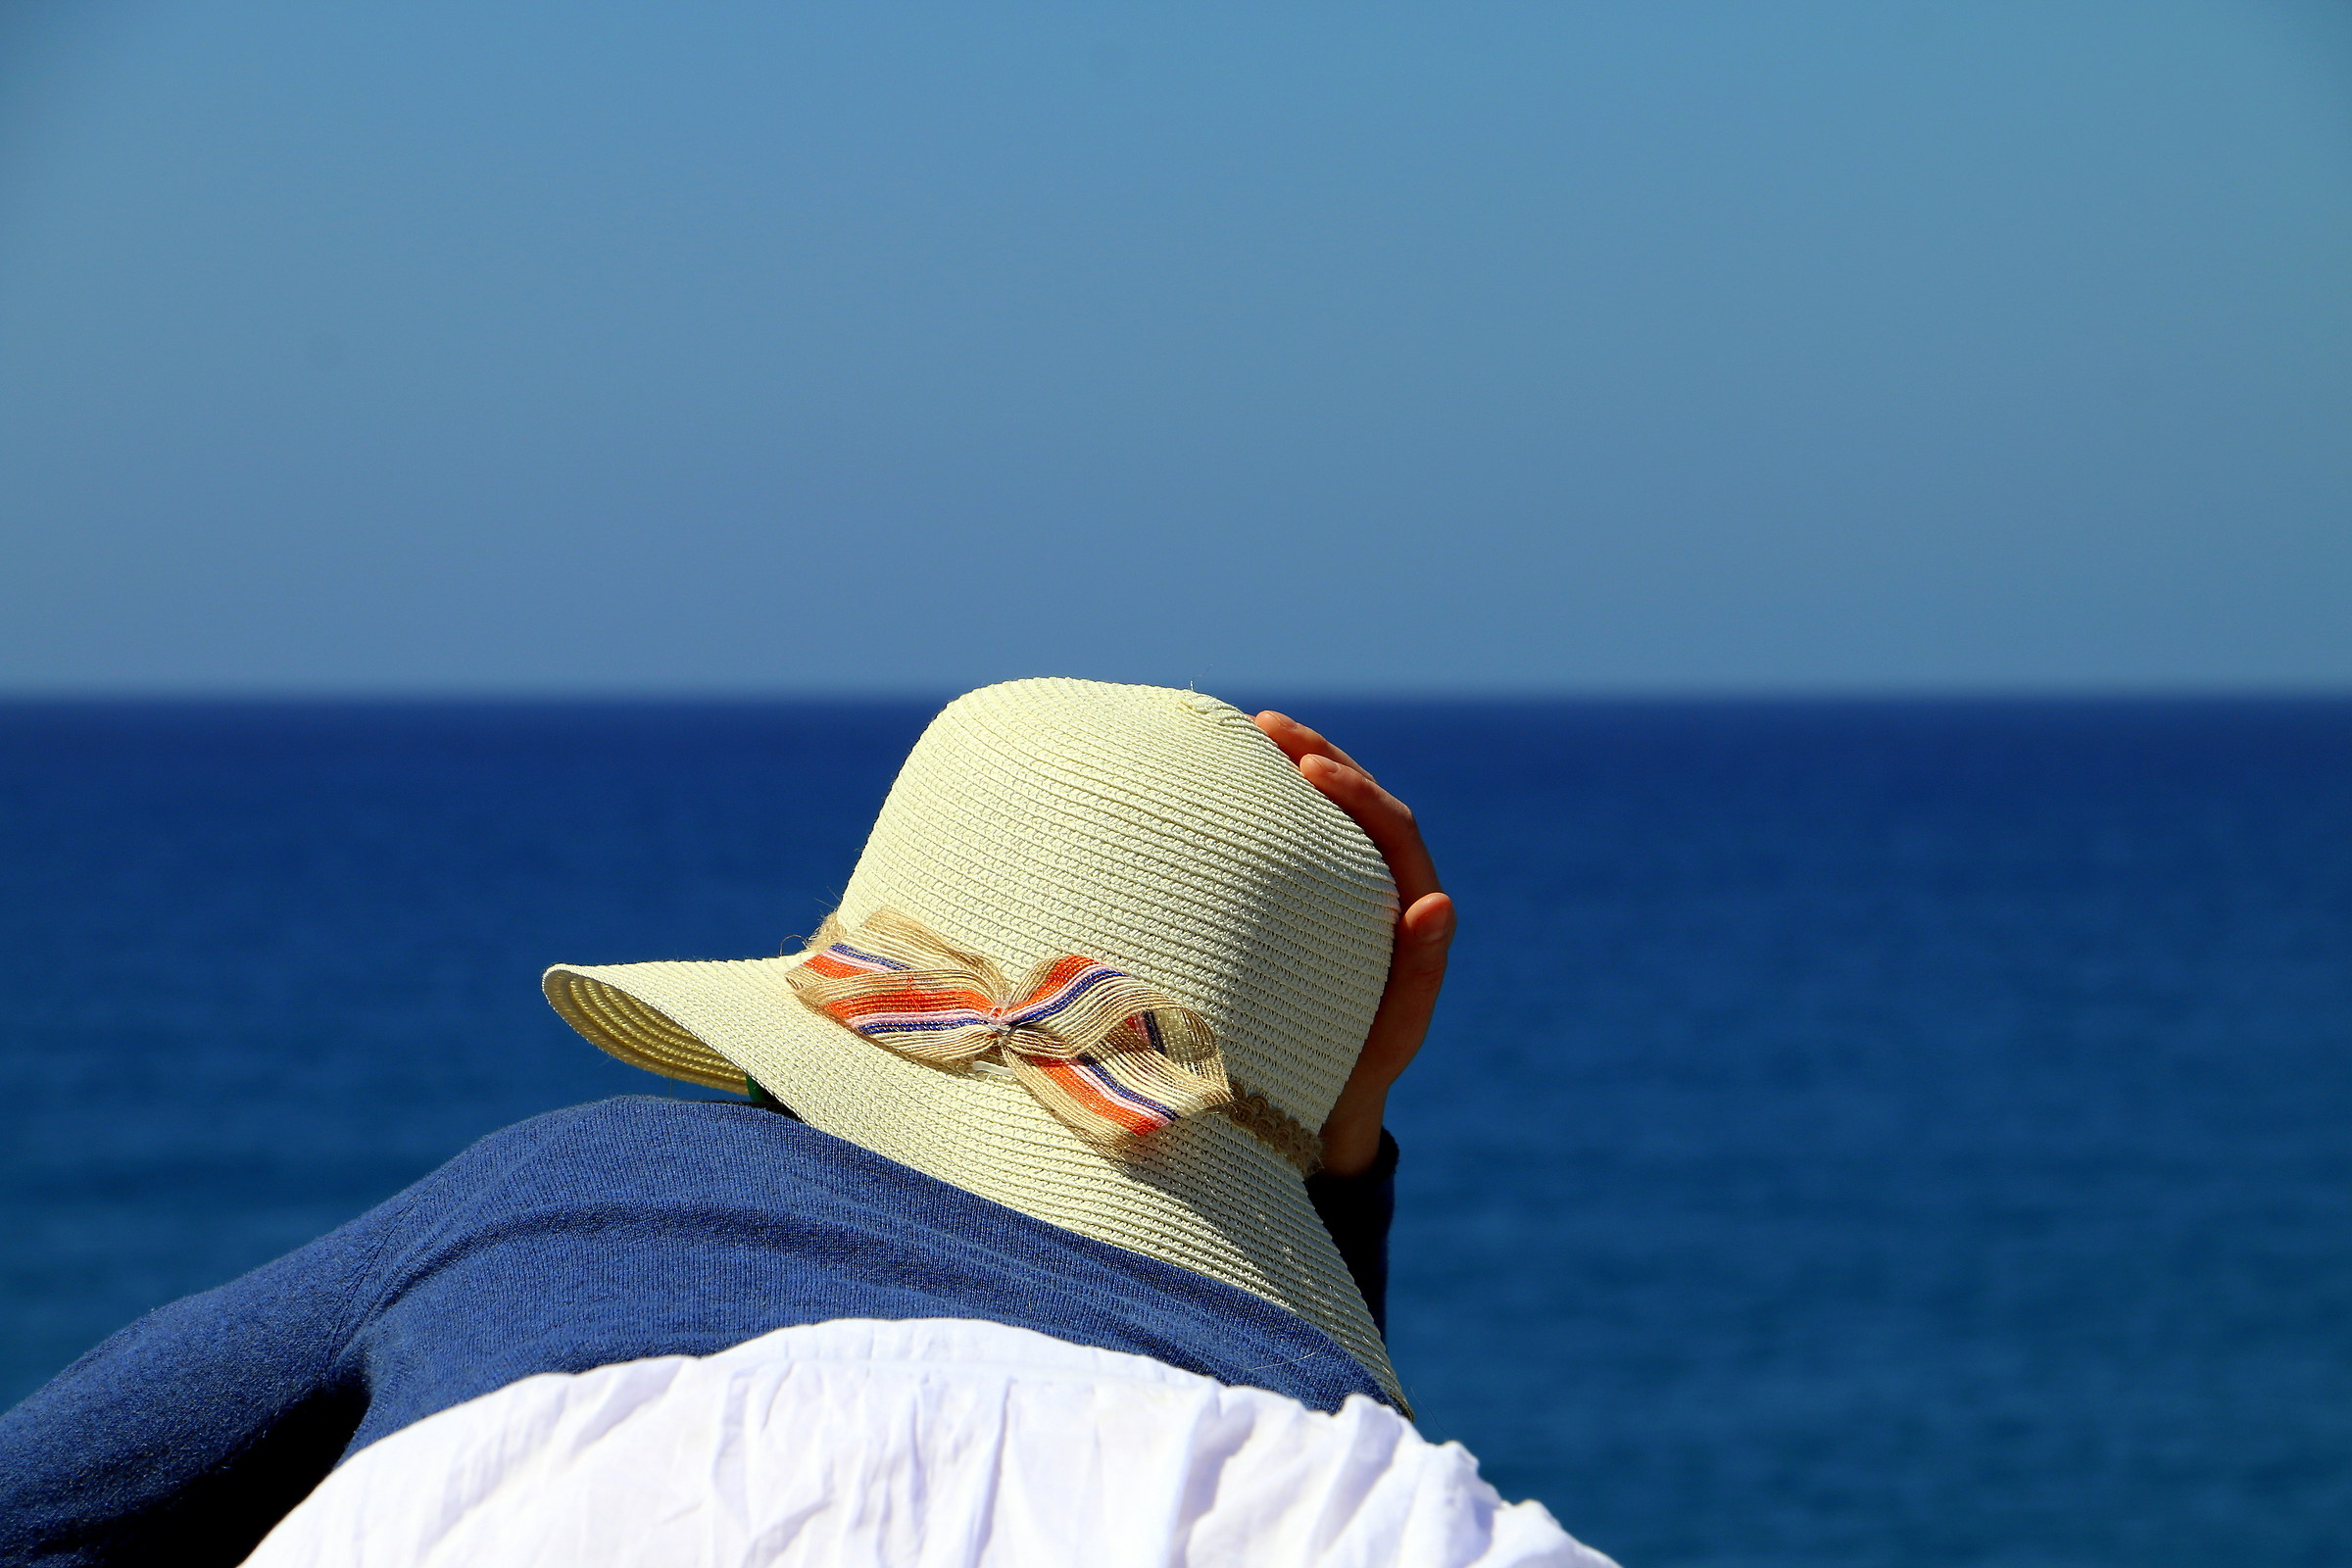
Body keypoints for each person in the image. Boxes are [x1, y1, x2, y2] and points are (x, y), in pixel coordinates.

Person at [0, 679, 1614, 1567]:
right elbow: (1274, 1374)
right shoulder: (1329, 1463)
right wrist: (1340, 1164)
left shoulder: (565, 1191)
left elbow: (53, 1503)